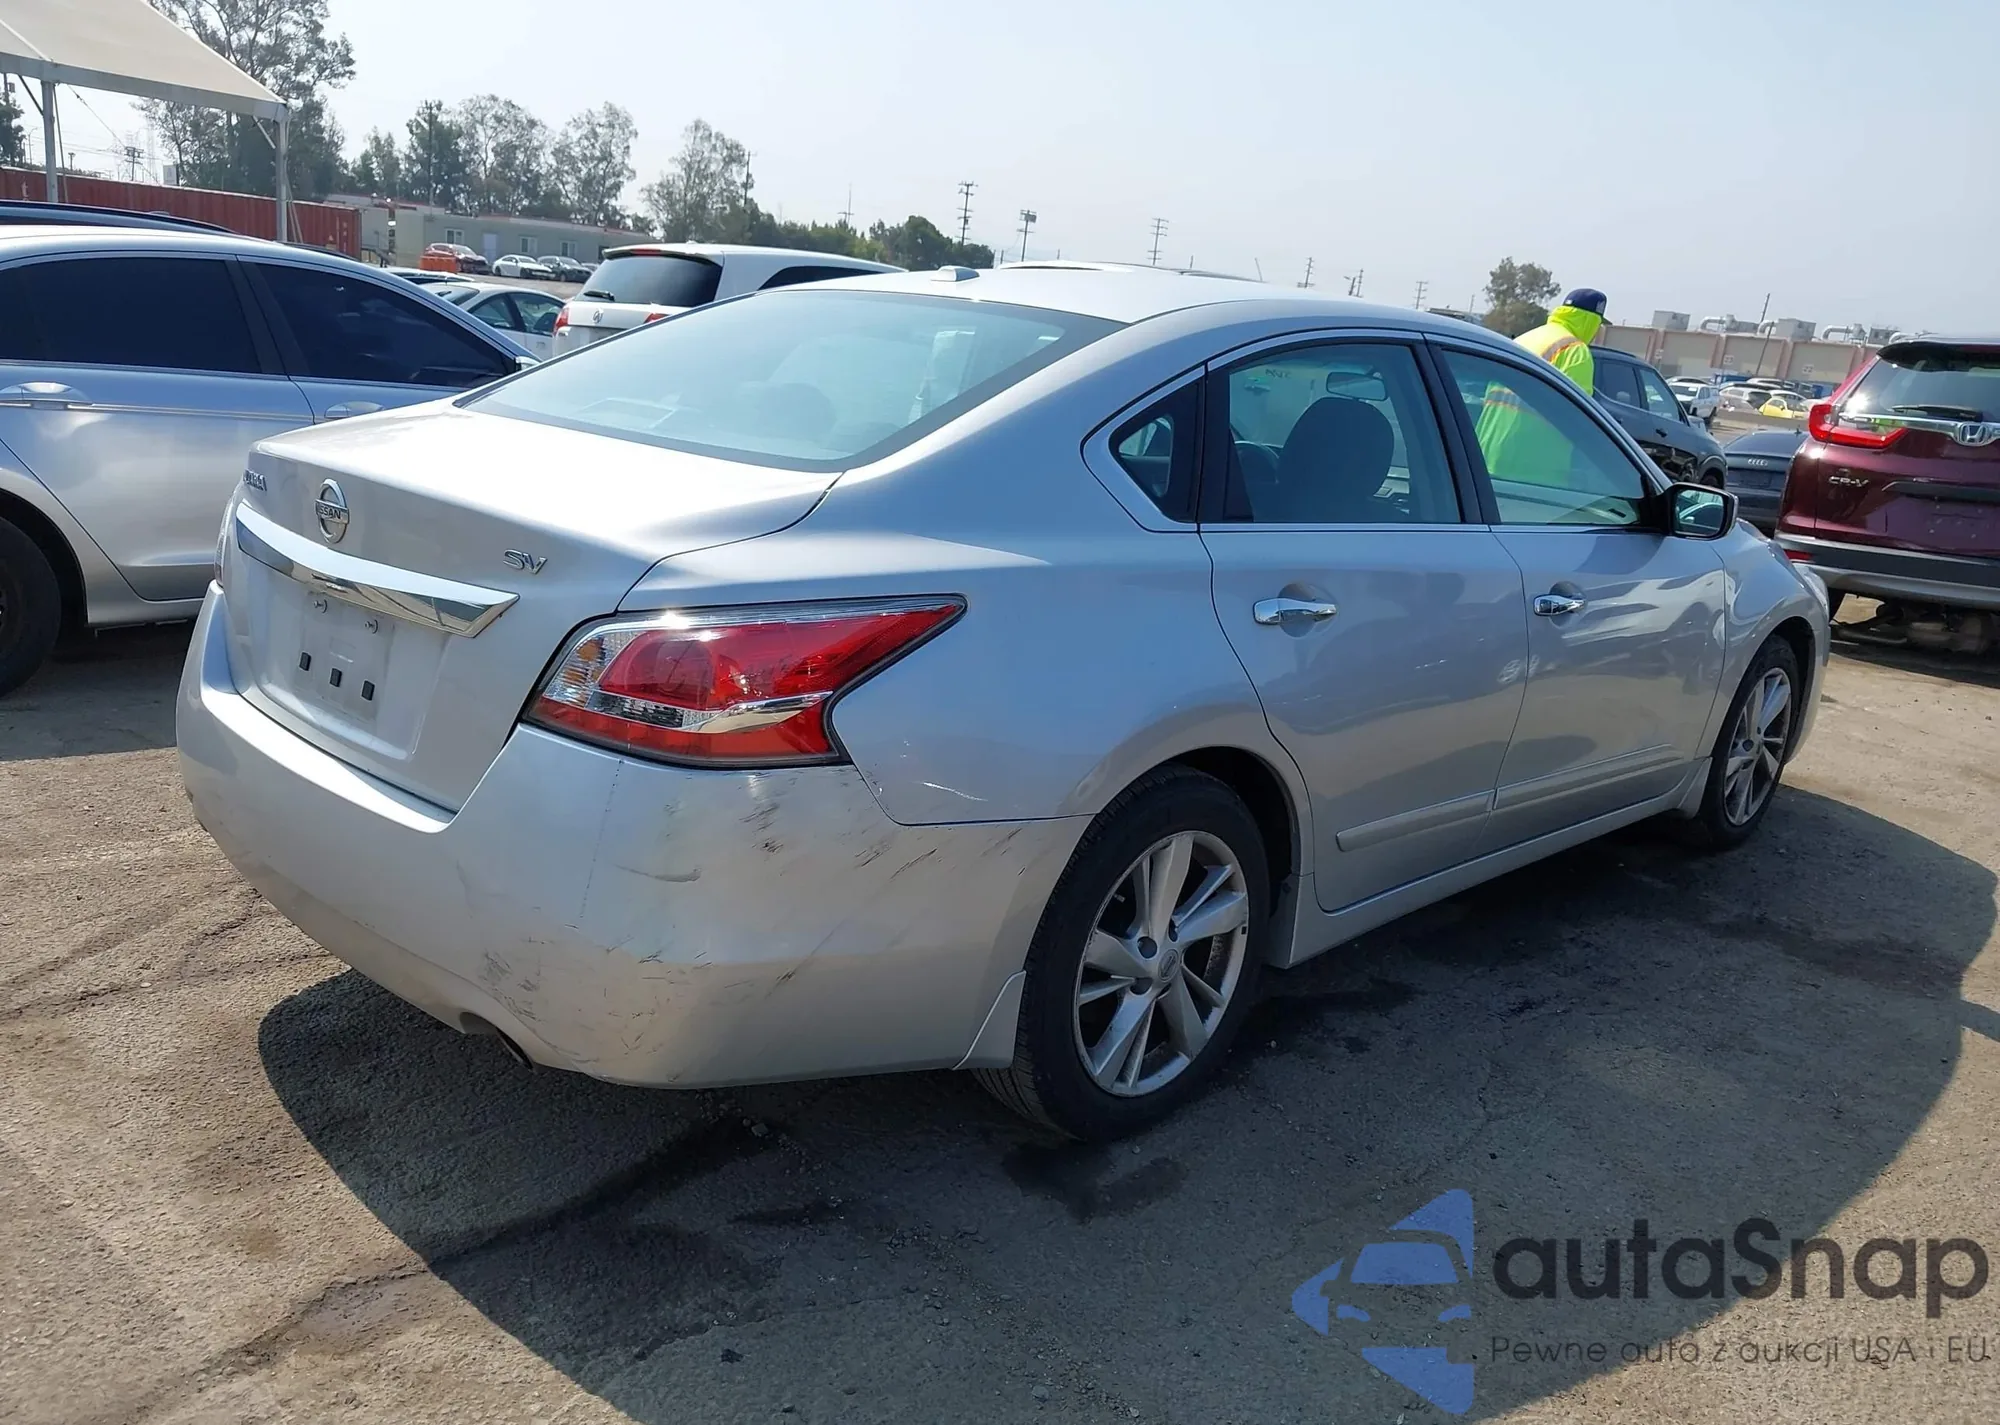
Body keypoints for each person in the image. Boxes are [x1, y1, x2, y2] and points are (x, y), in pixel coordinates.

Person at [1472, 288, 1609, 487]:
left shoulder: (1524, 339)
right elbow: (1577, 416)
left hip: (1487, 454)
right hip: (1532, 468)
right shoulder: (1574, 351)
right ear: (1591, 321)